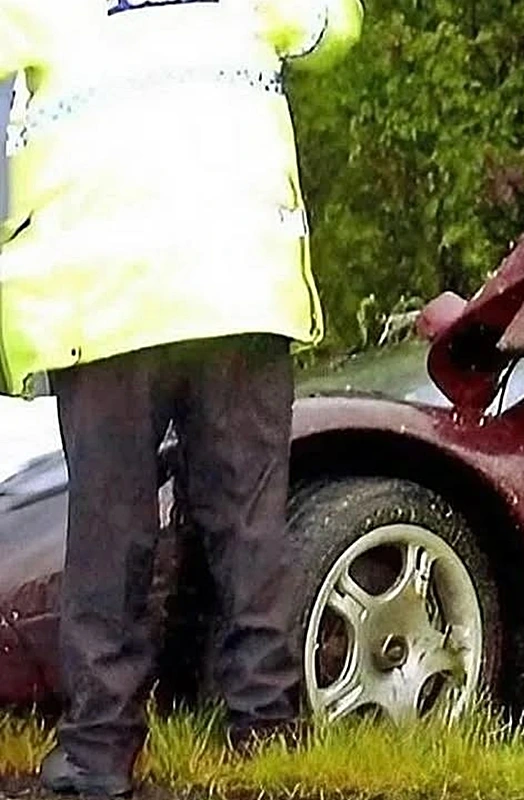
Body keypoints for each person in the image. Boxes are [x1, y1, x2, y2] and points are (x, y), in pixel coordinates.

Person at [0, 0, 363, 795]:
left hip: (102, 304)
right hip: (238, 290)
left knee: (110, 523)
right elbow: (333, 28)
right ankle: (265, 733)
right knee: (247, 519)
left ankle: (98, 751)